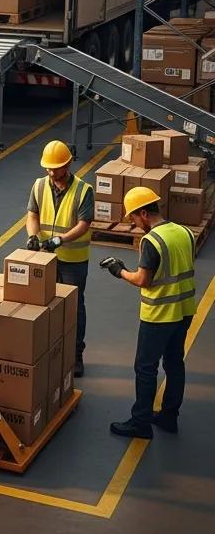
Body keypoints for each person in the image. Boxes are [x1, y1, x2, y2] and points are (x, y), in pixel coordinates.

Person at [101, 186, 196, 439]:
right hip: (184, 311)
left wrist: (119, 270)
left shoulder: (152, 241)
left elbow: (143, 280)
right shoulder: (185, 232)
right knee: (175, 362)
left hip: (159, 315)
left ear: (143, 212)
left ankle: (140, 422)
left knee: (145, 367)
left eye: (133, 217)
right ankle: (168, 417)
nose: (133, 223)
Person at [26, 139, 93, 377]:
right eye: (48, 168)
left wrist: (61, 239)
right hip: (45, 257)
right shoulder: (39, 185)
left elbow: (84, 225)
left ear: (68, 164)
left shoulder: (84, 191)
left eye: (56, 168)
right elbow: (32, 214)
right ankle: (51, 352)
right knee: (44, 304)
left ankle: (76, 355)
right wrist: (33, 236)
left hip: (73, 261)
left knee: (74, 307)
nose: (52, 172)